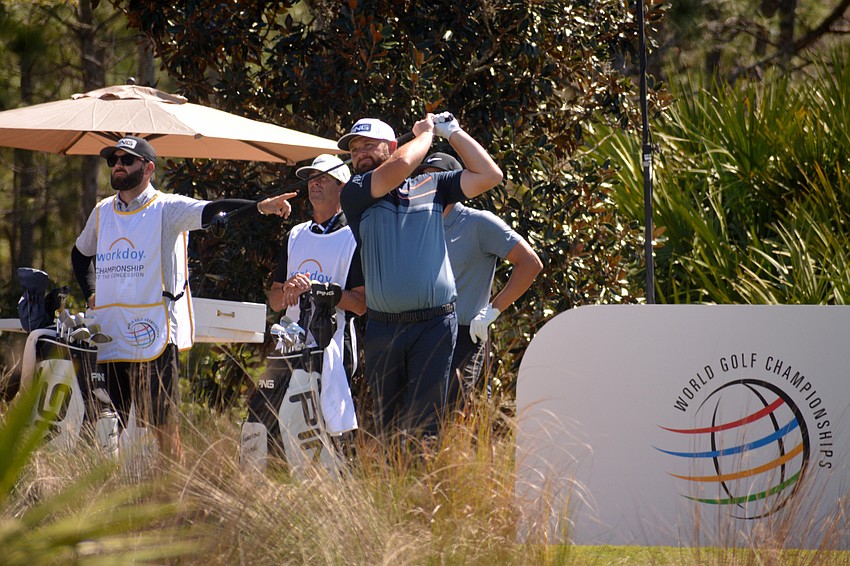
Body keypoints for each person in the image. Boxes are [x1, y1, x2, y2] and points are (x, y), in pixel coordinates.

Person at [72, 135, 295, 462]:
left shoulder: (167, 208)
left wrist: (259, 207)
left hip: (156, 335)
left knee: (162, 425)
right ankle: (105, 497)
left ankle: (174, 496)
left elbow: (214, 211)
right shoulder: (103, 211)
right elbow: (80, 255)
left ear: (148, 168)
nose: (117, 165)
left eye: (126, 160)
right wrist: (90, 293)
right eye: (113, 160)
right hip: (113, 334)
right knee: (106, 425)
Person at [337, 113, 503, 438]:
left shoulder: (433, 186)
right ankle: (392, 488)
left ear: (392, 146)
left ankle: (417, 487)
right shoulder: (355, 191)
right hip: (384, 328)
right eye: (355, 149)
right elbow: (396, 170)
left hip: (435, 325)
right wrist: (427, 135)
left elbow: (489, 174)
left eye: (369, 145)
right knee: (388, 426)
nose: (360, 153)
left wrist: (452, 132)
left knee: (425, 427)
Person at [416, 152, 543, 408]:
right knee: (419, 423)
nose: (426, 186)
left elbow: (530, 263)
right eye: (422, 179)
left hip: (463, 337)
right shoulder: (415, 225)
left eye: (434, 179)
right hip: (420, 335)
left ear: (454, 184)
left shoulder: (478, 223)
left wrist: (492, 311)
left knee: (455, 418)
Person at [268, 154, 366, 436]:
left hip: (334, 345)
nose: (315, 183)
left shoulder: (354, 237)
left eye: (324, 177)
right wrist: (288, 290)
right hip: (289, 343)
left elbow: (360, 304)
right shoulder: (296, 235)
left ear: (342, 187)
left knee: (326, 431)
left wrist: (322, 291)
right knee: (284, 427)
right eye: (312, 178)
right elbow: (274, 299)